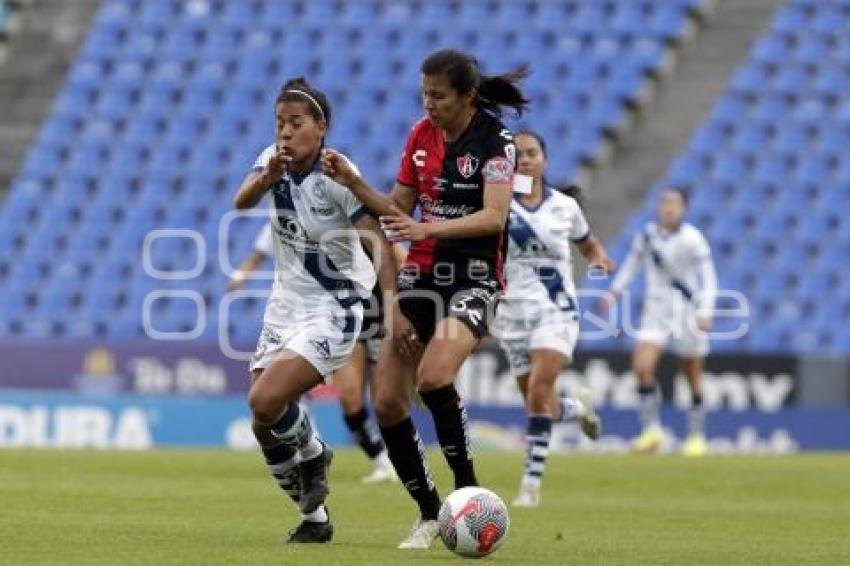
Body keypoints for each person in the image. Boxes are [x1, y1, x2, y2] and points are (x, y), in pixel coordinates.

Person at [322, 48, 527, 549]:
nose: (429, 104)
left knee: (435, 376)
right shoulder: (420, 136)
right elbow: (394, 211)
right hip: (420, 276)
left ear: (466, 96)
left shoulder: (497, 144)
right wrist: (353, 183)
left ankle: (467, 491)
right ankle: (431, 512)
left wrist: (423, 227)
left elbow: (494, 217)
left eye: (438, 96)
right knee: (388, 400)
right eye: (424, 94)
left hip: (475, 278)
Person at [232, 77, 405, 543]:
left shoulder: (337, 174)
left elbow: (378, 242)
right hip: (284, 305)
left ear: (320, 127)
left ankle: (314, 452)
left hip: (334, 306)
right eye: (279, 124)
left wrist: (393, 308)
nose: (285, 133)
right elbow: (241, 199)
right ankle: (316, 521)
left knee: (265, 401)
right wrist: (265, 178)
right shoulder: (273, 161)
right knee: (263, 425)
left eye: (296, 123)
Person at [492, 130, 615, 508]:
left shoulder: (564, 206)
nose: (525, 160)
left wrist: (599, 260)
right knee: (536, 400)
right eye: (519, 155)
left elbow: (588, 243)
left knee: (539, 392)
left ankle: (530, 484)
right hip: (512, 314)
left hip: (555, 309)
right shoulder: (497, 206)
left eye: (532, 153)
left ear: (544, 159)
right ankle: (578, 409)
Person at [228, 222, 400, 484]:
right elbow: (259, 253)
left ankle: (400, 460)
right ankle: (378, 459)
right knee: (350, 398)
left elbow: (394, 253)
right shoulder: (285, 214)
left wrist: (399, 303)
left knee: (384, 399)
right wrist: (241, 276)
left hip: (373, 310)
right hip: (326, 314)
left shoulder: (349, 206)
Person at [601, 187, 718, 457]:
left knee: (692, 374)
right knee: (642, 366)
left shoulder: (693, 239)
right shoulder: (647, 236)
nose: (668, 207)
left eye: (674, 203)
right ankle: (651, 430)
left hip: (686, 311)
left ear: (684, 208)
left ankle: (696, 436)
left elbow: (708, 278)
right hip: (655, 311)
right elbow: (631, 265)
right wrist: (614, 292)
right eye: (664, 202)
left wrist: (706, 311)